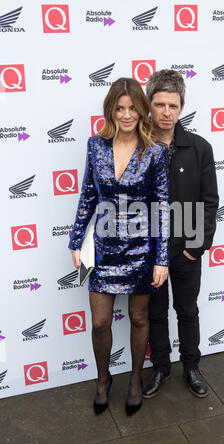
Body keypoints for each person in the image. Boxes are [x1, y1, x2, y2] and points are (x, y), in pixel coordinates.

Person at [68, 78, 169, 416]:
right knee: (100, 323)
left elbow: (162, 208)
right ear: (111, 110)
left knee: (140, 319)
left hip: (142, 249)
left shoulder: (155, 150)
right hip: (102, 248)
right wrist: (75, 241)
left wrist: (162, 260)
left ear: (142, 111)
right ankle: (102, 378)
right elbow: (87, 196)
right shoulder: (95, 145)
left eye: (132, 108)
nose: (126, 115)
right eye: (120, 108)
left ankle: (136, 380)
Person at [142, 69, 219, 399]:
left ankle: (191, 366)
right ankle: (161, 368)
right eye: (159, 104)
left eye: (172, 105)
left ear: (181, 106)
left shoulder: (200, 148)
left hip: (186, 248)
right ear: (149, 105)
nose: (166, 112)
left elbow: (210, 203)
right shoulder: (137, 147)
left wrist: (194, 248)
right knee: (155, 313)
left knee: (187, 310)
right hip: (150, 251)